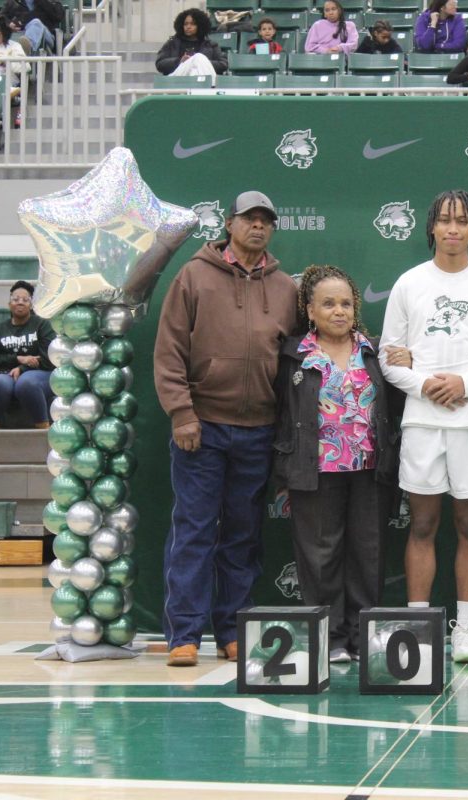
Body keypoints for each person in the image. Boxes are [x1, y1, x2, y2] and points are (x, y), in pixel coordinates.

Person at [377, 189, 468, 663]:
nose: (453, 229)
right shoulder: (408, 284)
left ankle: (464, 630)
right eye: (445, 220)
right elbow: (388, 357)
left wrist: (463, 384)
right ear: (432, 228)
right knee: (421, 523)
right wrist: (425, 387)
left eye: (462, 221)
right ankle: (418, 627)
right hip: (421, 421)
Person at [153, 191, 298, 667]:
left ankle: (233, 628)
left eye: (266, 220)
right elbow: (169, 351)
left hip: (258, 430)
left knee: (242, 535)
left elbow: (298, 357)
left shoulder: (285, 289)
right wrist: (181, 413)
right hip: (203, 427)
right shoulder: (194, 276)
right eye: (249, 218)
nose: (258, 226)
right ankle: (184, 634)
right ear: (230, 225)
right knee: (194, 530)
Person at [273, 265, 398, 664]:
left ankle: (362, 637)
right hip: (315, 469)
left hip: (369, 468)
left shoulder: (375, 352)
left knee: (368, 552)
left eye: (346, 303)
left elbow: (393, 406)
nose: (339, 311)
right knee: (320, 556)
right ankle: (331, 638)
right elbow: (279, 412)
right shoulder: (294, 356)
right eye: (328, 304)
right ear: (310, 310)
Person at [0, 279, 54, 429]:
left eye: (25, 299)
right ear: (9, 304)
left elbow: (49, 358)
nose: (20, 302)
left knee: (26, 383)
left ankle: (43, 428)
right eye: (15, 299)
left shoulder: (42, 325)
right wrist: (18, 359)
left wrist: (22, 369)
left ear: (31, 304)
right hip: (5, 374)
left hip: (39, 373)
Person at [155, 8, 227, 78]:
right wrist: (180, 61)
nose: (188, 27)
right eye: (185, 24)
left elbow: (223, 65)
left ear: (200, 26)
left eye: (193, 24)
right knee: (197, 58)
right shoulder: (172, 42)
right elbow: (160, 64)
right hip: (177, 77)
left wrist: (200, 63)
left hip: (202, 77)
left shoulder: (211, 44)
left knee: (197, 60)